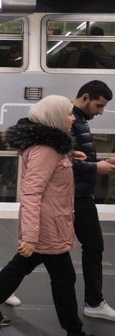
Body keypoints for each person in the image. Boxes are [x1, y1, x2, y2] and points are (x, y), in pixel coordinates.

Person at [0, 95, 92, 336]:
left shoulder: (52, 147)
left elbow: (48, 173)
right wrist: (29, 236)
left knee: (21, 266)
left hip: (48, 224)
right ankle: (75, 331)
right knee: (64, 279)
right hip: (47, 225)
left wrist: (70, 155)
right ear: (55, 117)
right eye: (69, 114)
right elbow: (31, 192)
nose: (73, 118)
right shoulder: (46, 150)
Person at [70, 80, 115, 320]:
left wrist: (102, 161)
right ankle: (94, 303)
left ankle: (94, 301)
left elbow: (80, 158)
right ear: (85, 97)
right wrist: (96, 167)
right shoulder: (68, 120)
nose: (101, 111)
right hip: (73, 196)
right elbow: (63, 162)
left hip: (81, 194)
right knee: (92, 246)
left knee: (43, 250)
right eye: (98, 105)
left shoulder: (80, 121)